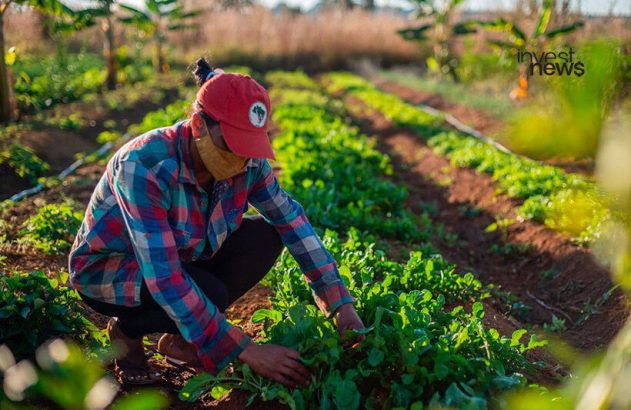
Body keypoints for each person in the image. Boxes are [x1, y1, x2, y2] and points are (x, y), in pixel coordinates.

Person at [68, 58, 365, 387]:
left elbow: (290, 221)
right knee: (207, 291)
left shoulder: (247, 164)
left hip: (182, 257)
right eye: (232, 146)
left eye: (249, 148)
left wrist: (338, 302)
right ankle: (125, 331)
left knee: (264, 237)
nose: (242, 161)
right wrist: (246, 349)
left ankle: (181, 337)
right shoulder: (143, 165)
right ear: (198, 126)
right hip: (110, 271)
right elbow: (164, 278)